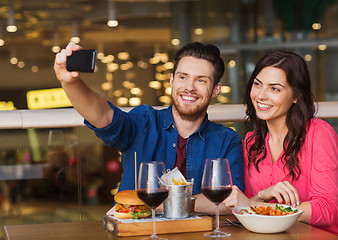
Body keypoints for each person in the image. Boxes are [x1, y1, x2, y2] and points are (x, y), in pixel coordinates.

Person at [54, 41, 245, 214]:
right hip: (135, 232)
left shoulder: (228, 140)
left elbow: (230, 201)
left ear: (215, 90)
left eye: (201, 80)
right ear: (171, 81)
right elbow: (103, 115)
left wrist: (156, 203)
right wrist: (69, 82)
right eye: (183, 77)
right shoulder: (145, 121)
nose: (189, 87)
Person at [223, 50, 338, 239]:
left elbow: (326, 210)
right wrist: (261, 196)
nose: (261, 95)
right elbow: (244, 207)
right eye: (257, 84)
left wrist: (257, 206)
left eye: (275, 89)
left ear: (296, 96)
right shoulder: (250, 141)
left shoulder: (319, 133)